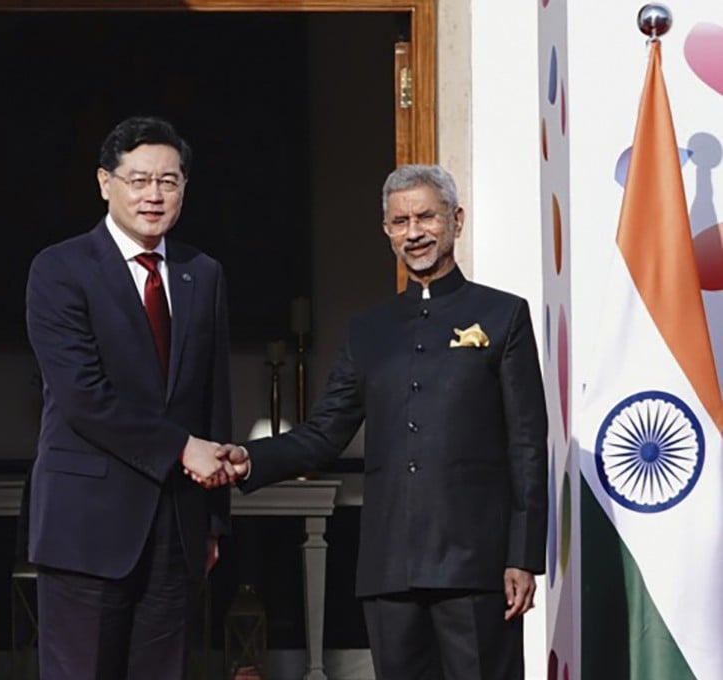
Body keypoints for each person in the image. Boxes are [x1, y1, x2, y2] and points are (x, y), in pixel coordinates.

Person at [212, 164, 548, 679]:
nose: (414, 232)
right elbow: (324, 433)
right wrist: (248, 458)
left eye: (426, 217)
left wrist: (522, 556)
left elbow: (527, 443)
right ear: (387, 231)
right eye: (400, 221)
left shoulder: (504, 316)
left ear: (456, 220)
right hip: (389, 567)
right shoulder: (368, 331)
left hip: (477, 566)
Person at [25, 116, 237, 679]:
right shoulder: (60, 269)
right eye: (139, 179)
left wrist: (213, 521)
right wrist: (179, 447)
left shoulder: (202, 272)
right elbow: (82, 396)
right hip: (86, 527)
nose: (153, 195)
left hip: (178, 528)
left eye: (169, 181)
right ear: (105, 183)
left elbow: (213, 396)